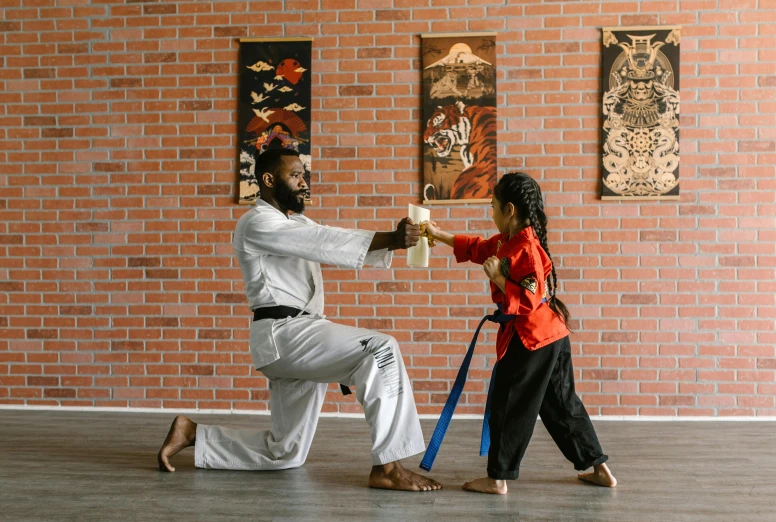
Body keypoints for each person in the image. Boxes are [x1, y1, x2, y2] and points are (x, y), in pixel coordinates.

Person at [157, 147, 442, 492]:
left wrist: (398, 243)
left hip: (296, 338)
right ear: (267, 179)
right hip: (285, 334)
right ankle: (388, 467)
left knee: (285, 452)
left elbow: (326, 239)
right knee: (380, 349)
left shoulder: (296, 222)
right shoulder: (256, 222)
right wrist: (393, 239)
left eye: (303, 174)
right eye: (295, 175)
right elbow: (321, 242)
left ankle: (194, 434)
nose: (303, 182)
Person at [423, 172, 616, 494]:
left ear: (509, 209)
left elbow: (527, 300)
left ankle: (498, 478)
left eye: (494, 207)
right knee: (562, 407)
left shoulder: (525, 248)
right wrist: (437, 234)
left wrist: (499, 279)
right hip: (551, 335)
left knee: (509, 404)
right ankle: (599, 468)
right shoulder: (506, 242)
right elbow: (478, 248)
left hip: (531, 340)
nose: (492, 213)